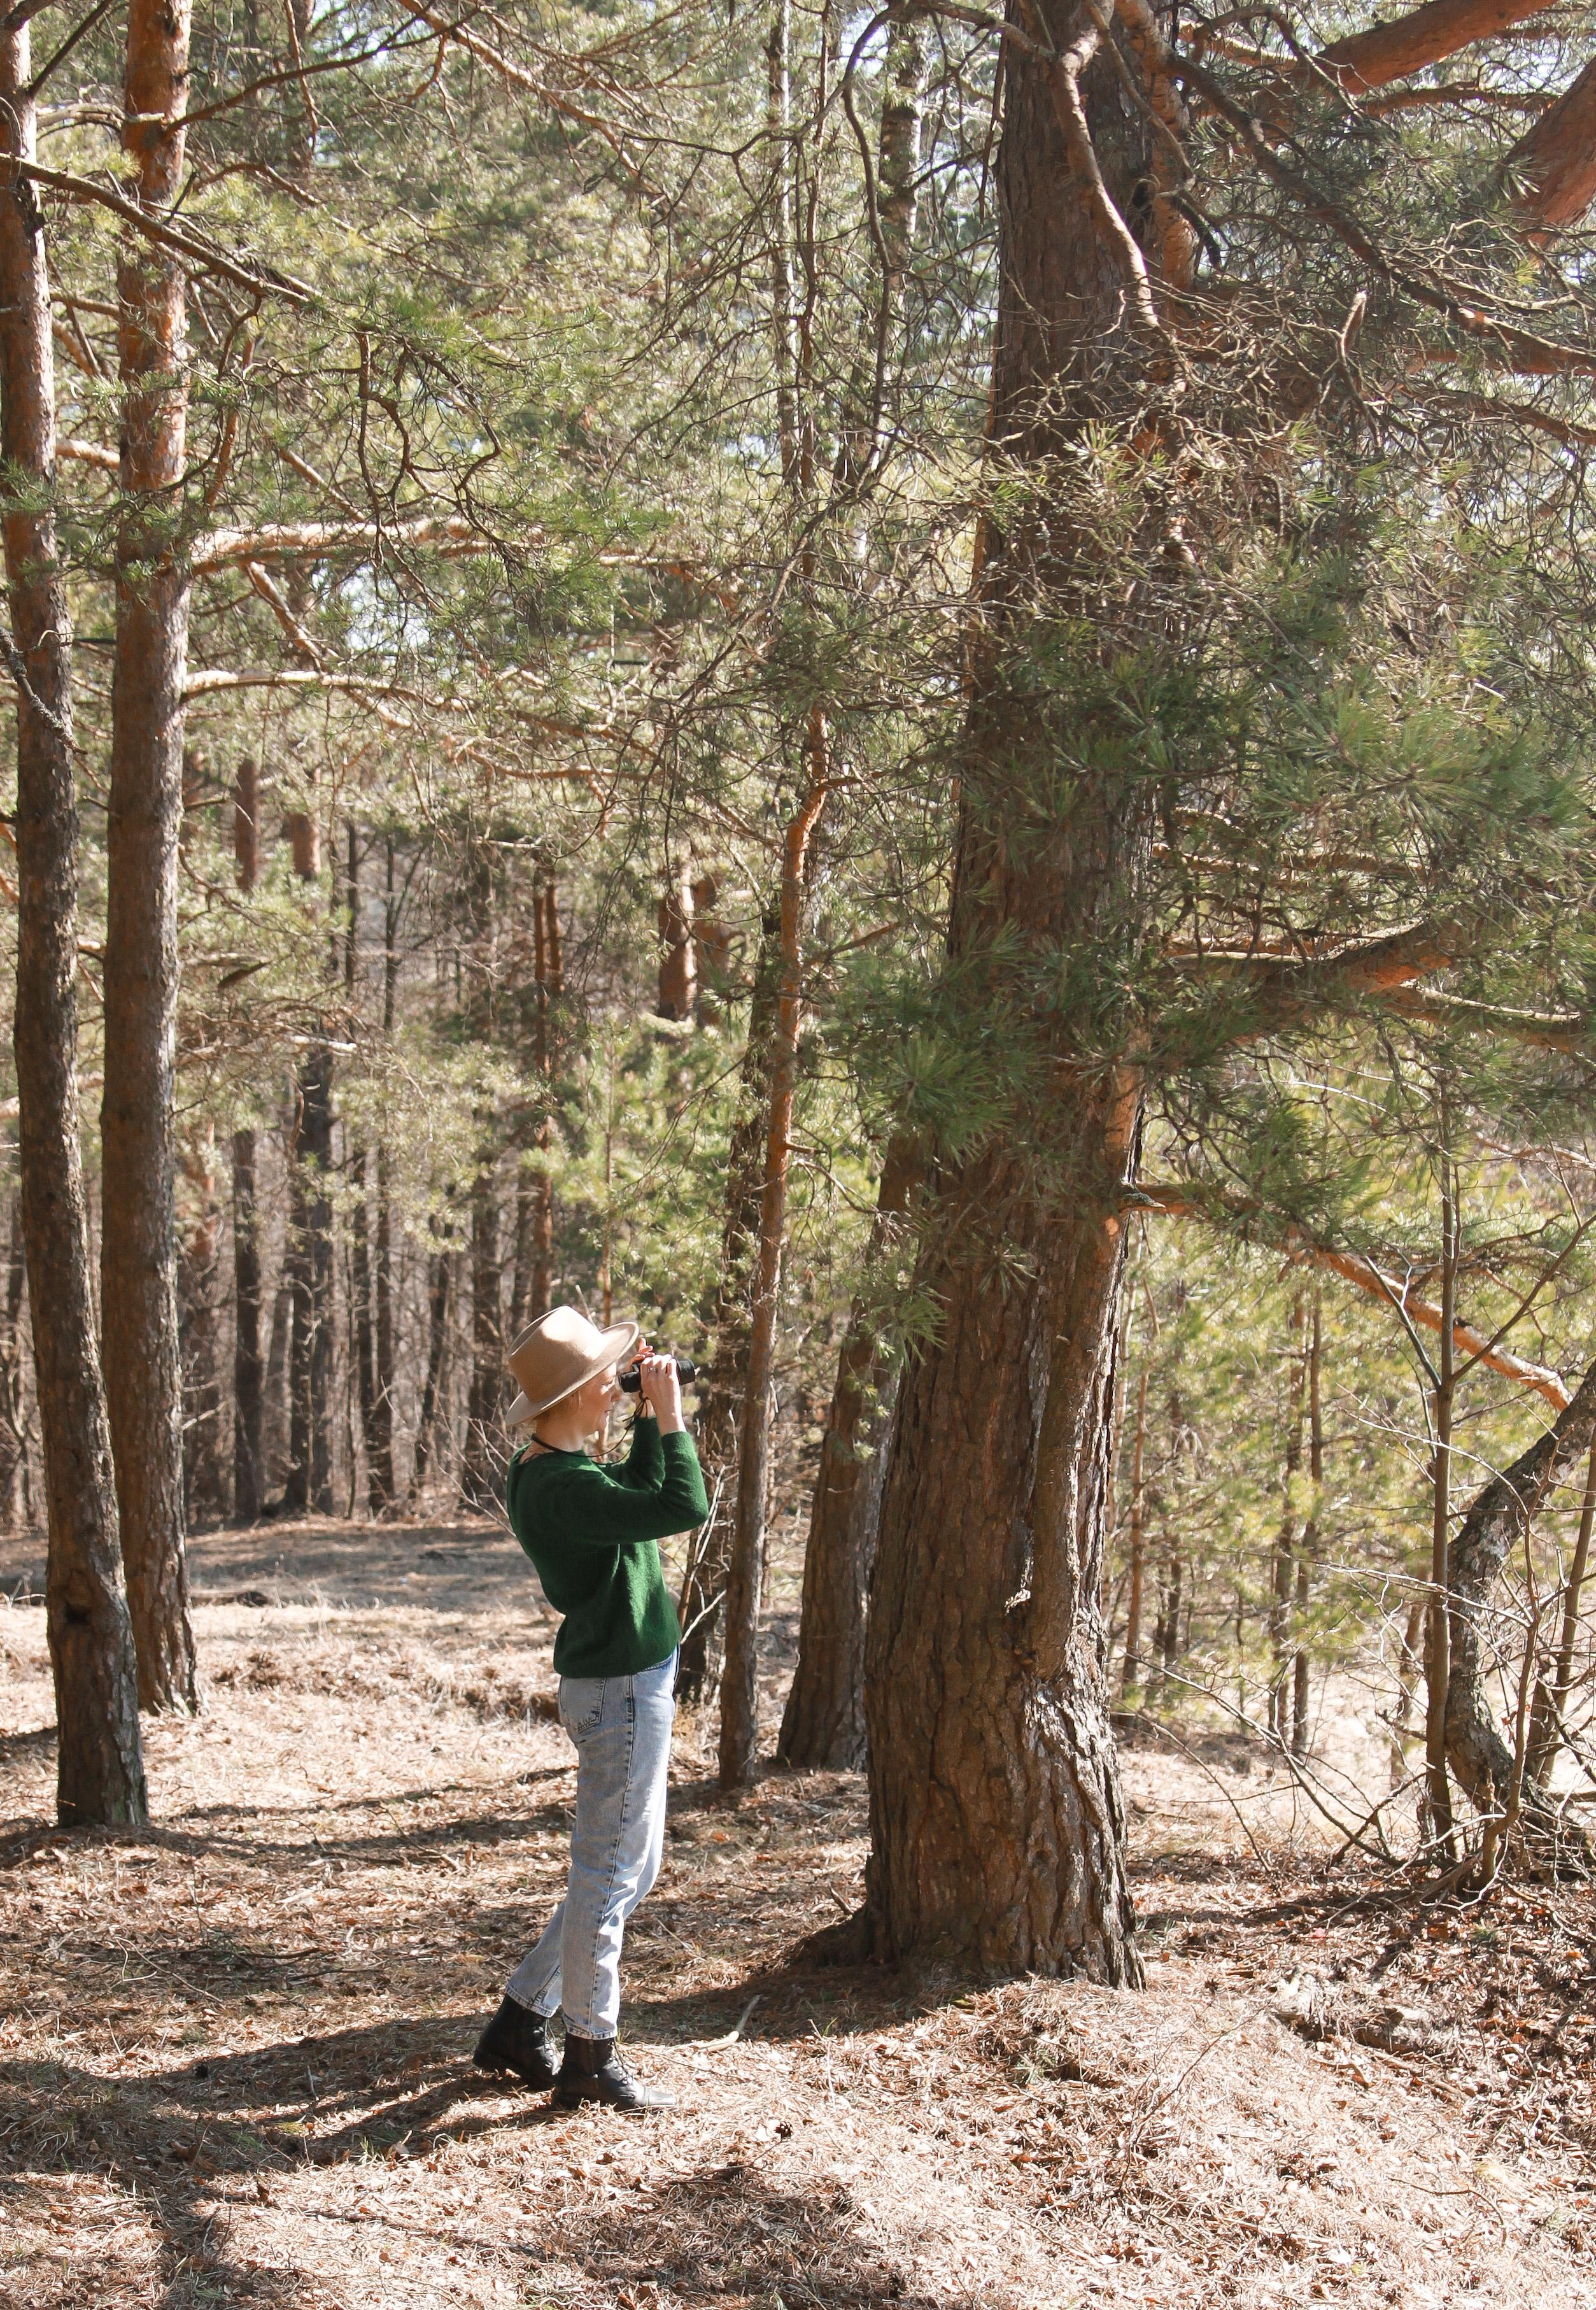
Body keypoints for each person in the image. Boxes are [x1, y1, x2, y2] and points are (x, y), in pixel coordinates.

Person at [472, 1303, 708, 2114]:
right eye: (604, 1379)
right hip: (619, 1690)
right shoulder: (563, 1488)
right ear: (571, 1396)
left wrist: (647, 1417)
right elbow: (681, 1506)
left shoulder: (557, 1468)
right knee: (609, 1876)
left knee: (626, 1871)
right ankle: (589, 2055)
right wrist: (670, 1417)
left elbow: (641, 1493)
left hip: (624, 1682)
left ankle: (518, 2019)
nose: (615, 1385)